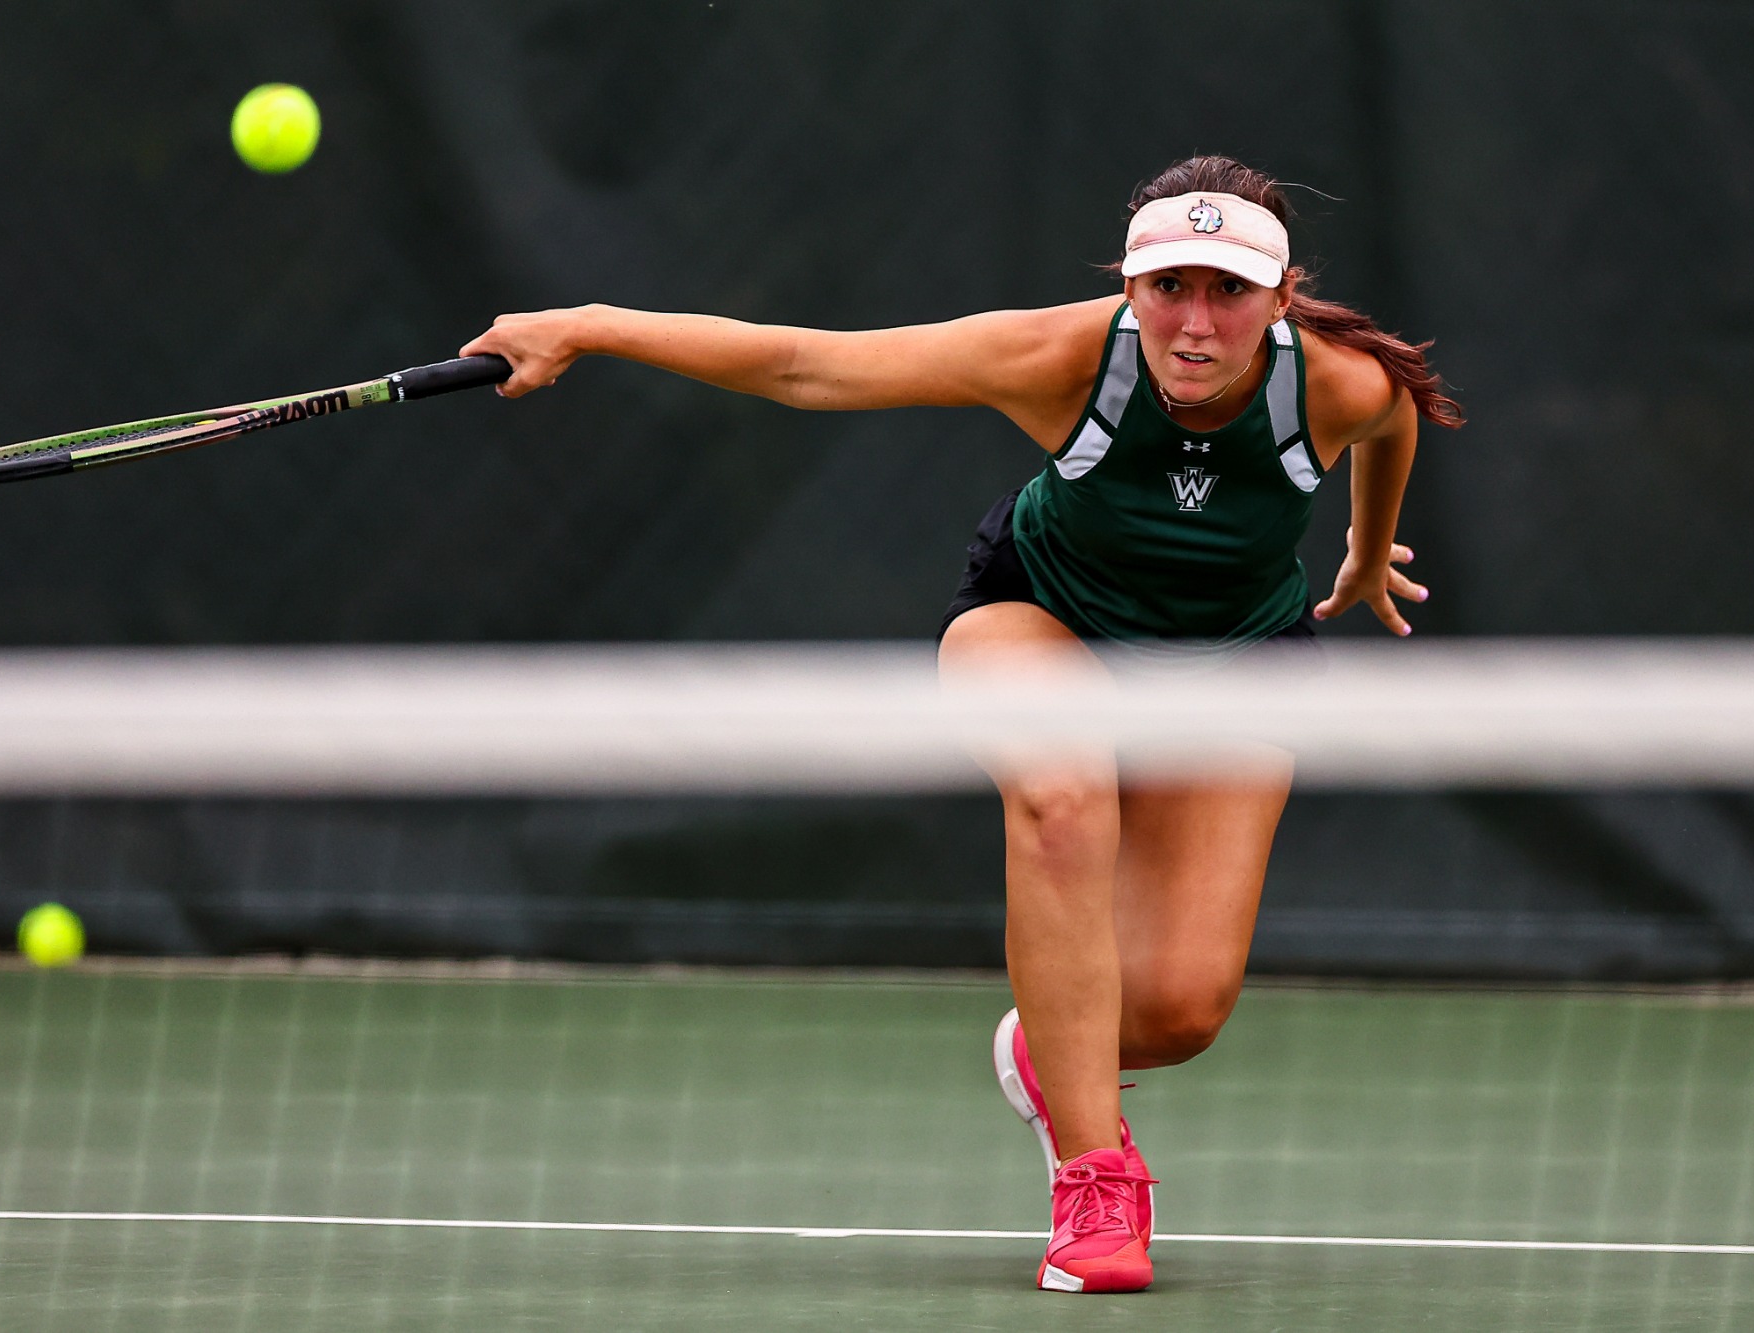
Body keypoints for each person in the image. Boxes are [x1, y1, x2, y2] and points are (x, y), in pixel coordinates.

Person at [461, 154, 1462, 1294]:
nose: (1194, 322)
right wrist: (586, 325)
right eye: (1166, 286)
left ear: (1278, 300)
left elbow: (1392, 430)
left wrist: (1366, 550)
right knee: (1061, 794)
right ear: (1125, 287)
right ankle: (1092, 1176)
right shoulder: (1050, 359)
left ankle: (1047, 1049)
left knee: (1180, 1010)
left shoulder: (1336, 386)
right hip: (1044, 617)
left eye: (1226, 291)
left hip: (1229, 663)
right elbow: (802, 367)